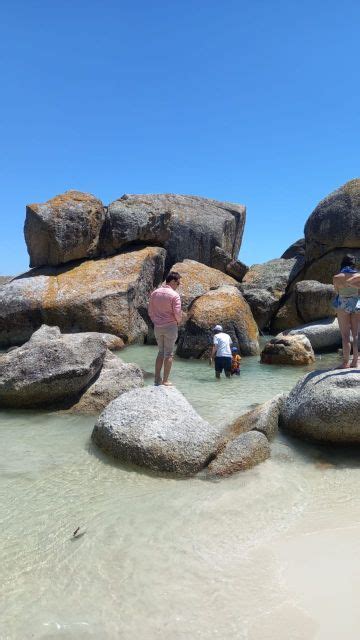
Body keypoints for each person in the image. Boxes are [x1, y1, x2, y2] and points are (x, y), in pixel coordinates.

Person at [148, 271, 182, 385]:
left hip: (158, 327)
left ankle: (157, 379)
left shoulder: (155, 293)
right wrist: (179, 321)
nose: (178, 286)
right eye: (178, 283)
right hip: (170, 326)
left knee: (161, 352)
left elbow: (150, 311)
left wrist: (156, 321)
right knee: (169, 354)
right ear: (172, 281)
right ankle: (165, 380)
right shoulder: (174, 295)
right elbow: (177, 313)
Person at [333, 254, 360, 368]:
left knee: (345, 336)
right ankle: (355, 361)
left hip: (342, 305)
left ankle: (345, 363)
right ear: (354, 263)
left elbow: (337, 291)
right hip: (356, 304)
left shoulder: (337, 277)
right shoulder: (359, 275)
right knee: (355, 335)